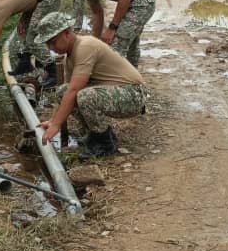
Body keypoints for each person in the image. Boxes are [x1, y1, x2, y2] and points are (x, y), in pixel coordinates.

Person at [34, 12, 148, 159]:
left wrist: (56, 125)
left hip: (133, 94)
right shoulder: (70, 56)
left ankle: (105, 145)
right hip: (118, 91)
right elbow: (68, 92)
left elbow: (74, 90)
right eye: (47, 43)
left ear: (67, 33)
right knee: (63, 91)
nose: (51, 47)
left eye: (53, 41)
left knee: (84, 96)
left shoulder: (85, 46)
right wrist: (52, 121)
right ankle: (97, 135)